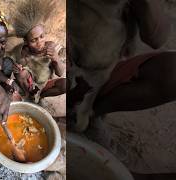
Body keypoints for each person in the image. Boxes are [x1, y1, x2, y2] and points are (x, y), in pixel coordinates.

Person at [69, 0, 176, 178]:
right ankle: (76, 117)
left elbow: (157, 37)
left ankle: (90, 115)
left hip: (98, 75)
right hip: (66, 68)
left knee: (172, 73)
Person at [7, 0, 66, 103]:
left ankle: (41, 96)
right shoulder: (21, 51)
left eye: (41, 37)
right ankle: (30, 96)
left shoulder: (51, 47)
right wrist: (15, 69)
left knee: (65, 84)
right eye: (33, 40)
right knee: (21, 73)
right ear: (26, 41)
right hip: (28, 86)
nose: (39, 42)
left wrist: (55, 58)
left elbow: (60, 73)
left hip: (44, 84)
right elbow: (11, 67)